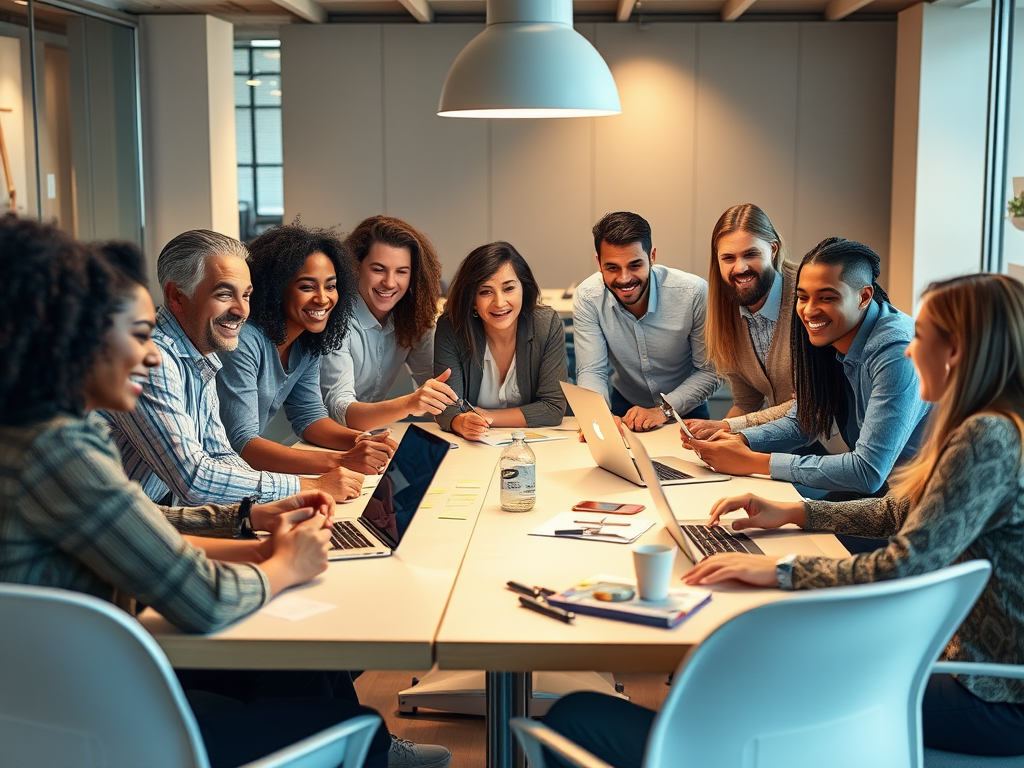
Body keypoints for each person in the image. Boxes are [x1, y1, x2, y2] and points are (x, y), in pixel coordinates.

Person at [544, 272, 1024, 766]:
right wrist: (794, 512)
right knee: (769, 666)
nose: (908, 349)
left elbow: (905, 563)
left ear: (958, 350)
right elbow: (899, 512)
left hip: (992, 693)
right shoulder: (986, 424)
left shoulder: (988, 436)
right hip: (963, 666)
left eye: (921, 336)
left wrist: (778, 570)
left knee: (773, 670)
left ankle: (690, 751)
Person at [0, 214, 391, 768]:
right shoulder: (59, 451)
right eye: (138, 335)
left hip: (56, 700)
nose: (155, 352)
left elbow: (140, 519)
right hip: (96, 726)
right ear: (68, 333)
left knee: (304, 668)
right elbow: (205, 600)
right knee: (358, 722)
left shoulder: (36, 431)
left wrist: (254, 533)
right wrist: (286, 565)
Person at [100, 230, 365, 508]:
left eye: (246, 295)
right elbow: (194, 479)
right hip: (99, 533)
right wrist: (309, 486)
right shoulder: (146, 358)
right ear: (176, 297)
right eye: (225, 294)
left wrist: (279, 500)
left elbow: (221, 455)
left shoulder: (203, 355)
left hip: (148, 513)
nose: (241, 310)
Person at [687, 237, 931, 496]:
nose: (809, 311)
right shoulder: (833, 333)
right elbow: (807, 418)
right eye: (803, 297)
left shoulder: (898, 351)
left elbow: (867, 472)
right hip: (883, 495)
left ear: (864, 297)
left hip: (924, 504)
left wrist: (754, 462)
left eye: (826, 297)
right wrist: (740, 440)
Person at [217, 223, 398, 477]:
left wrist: (363, 442)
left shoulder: (306, 341)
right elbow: (243, 444)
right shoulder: (244, 341)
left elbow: (310, 417)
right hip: (211, 480)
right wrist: (343, 461)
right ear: (277, 290)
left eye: (331, 286)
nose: (323, 298)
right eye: (307, 286)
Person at [573, 211, 720, 433]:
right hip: (624, 404)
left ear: (652, 256)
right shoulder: (587, 297)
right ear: (598, 262)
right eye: (612, 267)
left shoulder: (693, 294)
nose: (624, 279)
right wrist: (596, 416)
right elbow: (592, 370)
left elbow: (711, 371)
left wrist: (663, 410)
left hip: (685, 407)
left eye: (635, 265)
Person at [320, 216, 460, 432]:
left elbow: (439, 386)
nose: (390, 282)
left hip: (372, 437)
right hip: (320, 441)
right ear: (354, 267)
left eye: (401, 272)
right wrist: (410, 403)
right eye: (378, 269)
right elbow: (340, 412)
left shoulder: (413, 318)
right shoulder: (334, 319)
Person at [433, 241, 567, 440]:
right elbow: (447, 407)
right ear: (472, 300)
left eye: (509, 288)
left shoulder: (545, 325)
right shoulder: (452, 328)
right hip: (471, 447)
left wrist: (487, 417)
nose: (499, 302)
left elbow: (552, 408)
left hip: (535, 445)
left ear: (524, 288)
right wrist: (462, 423)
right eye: (485, 292)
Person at [685, 203, 798, 439]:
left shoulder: (805, 297)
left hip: (835, 448)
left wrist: (727, 427)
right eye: (728, 258)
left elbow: (810, 405)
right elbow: (747, 402)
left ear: (773, 249)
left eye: (751, 254)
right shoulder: (728, 308)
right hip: (790, 444)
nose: (740, 268)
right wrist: (715, 437)